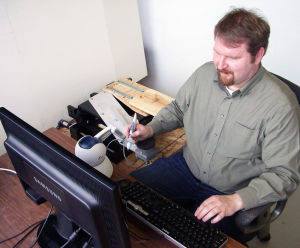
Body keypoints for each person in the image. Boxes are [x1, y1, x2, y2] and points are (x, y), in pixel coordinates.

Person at [124, 8, 300, 242]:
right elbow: (178, 109)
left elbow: (284, 174)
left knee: (197, 239)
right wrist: (151, 128)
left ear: (258, 55)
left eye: (232, 58)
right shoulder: (204, 74)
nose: (220, 64)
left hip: (231, 190)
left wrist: (236, 201)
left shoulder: (280, 107)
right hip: (185, 167)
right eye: (217, 52)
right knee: (125, 199)